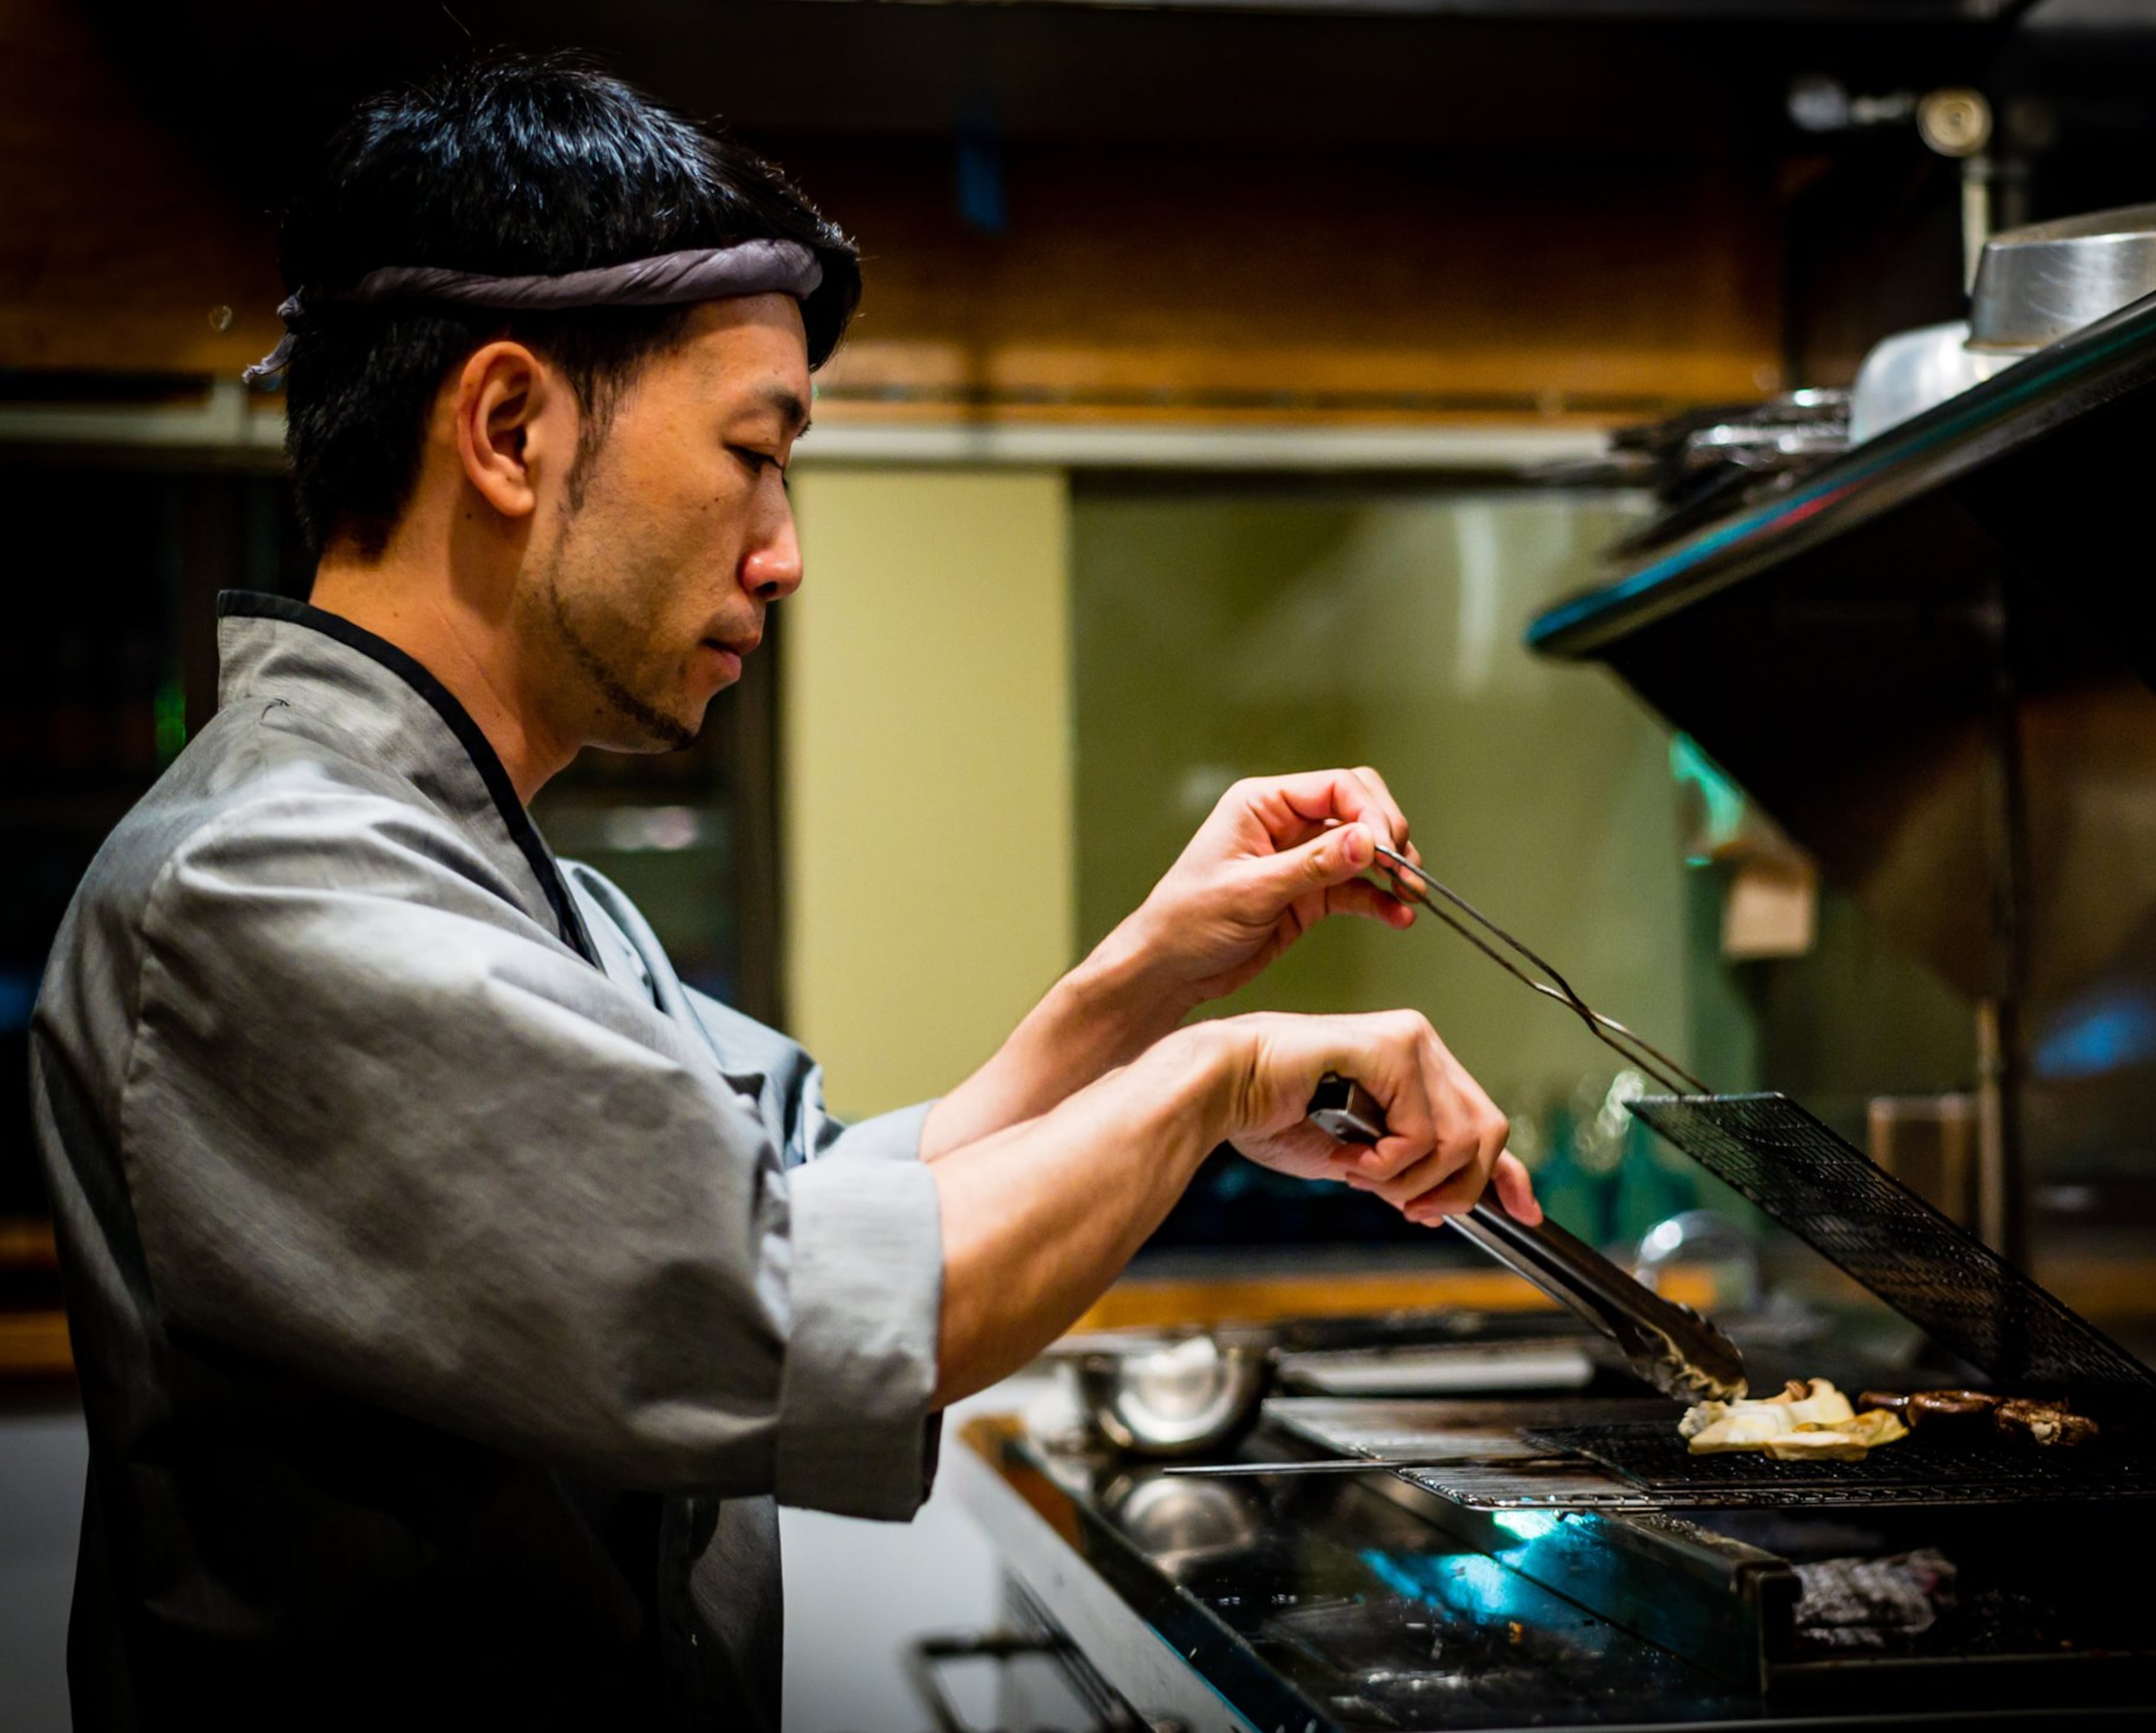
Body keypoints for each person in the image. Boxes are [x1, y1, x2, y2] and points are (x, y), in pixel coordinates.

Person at [30, 54, 1537, 1730]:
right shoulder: (258, 894)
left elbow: (822, 1200)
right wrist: (1215, 1080)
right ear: (511, 428)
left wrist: (1148, 989)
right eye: (755, 451)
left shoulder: (530, 895)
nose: (784, 547)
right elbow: (794, 1311)